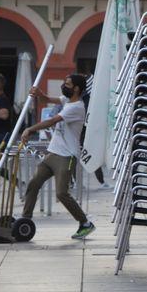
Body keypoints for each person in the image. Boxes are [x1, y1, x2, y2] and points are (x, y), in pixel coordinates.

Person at [20, 74, 96, 239]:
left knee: (62, 193)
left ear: (76, 89)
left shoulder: (76, 107)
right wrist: (39, 94)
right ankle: (25, 220)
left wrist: (30, 129)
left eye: (67, 84)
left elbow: (52, 121)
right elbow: (48, 99)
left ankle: (85, 223)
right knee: (34, 183)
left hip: (67, 157)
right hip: (53, 153)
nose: (64, 85)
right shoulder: (67, 100)